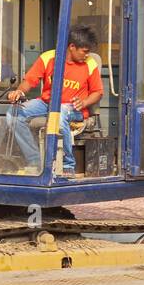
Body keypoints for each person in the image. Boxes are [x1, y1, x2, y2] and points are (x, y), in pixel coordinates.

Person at [6, 25, 103, 176]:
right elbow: (30, 80)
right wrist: (19, 91)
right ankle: (35, 160)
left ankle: (67, 164)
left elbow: (98, 92)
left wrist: (84, 103)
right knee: (13, 114)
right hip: (46, 104)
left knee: (60, 112)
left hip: (74, 110)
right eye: (84, 51)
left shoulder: (90, 63)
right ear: (72, 47)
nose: (87, 55)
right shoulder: (48, 58)